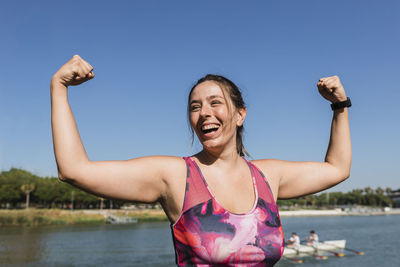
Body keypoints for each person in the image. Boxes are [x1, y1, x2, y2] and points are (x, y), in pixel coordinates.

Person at [50, 55, 352, 266]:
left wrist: (340, 105)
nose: (204, 112)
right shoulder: (175, 175)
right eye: (195, 107)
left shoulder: (268, 176)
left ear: (240, 114)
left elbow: (337, 169)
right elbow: (74, 171)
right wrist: (59, 87)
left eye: (215, 102)